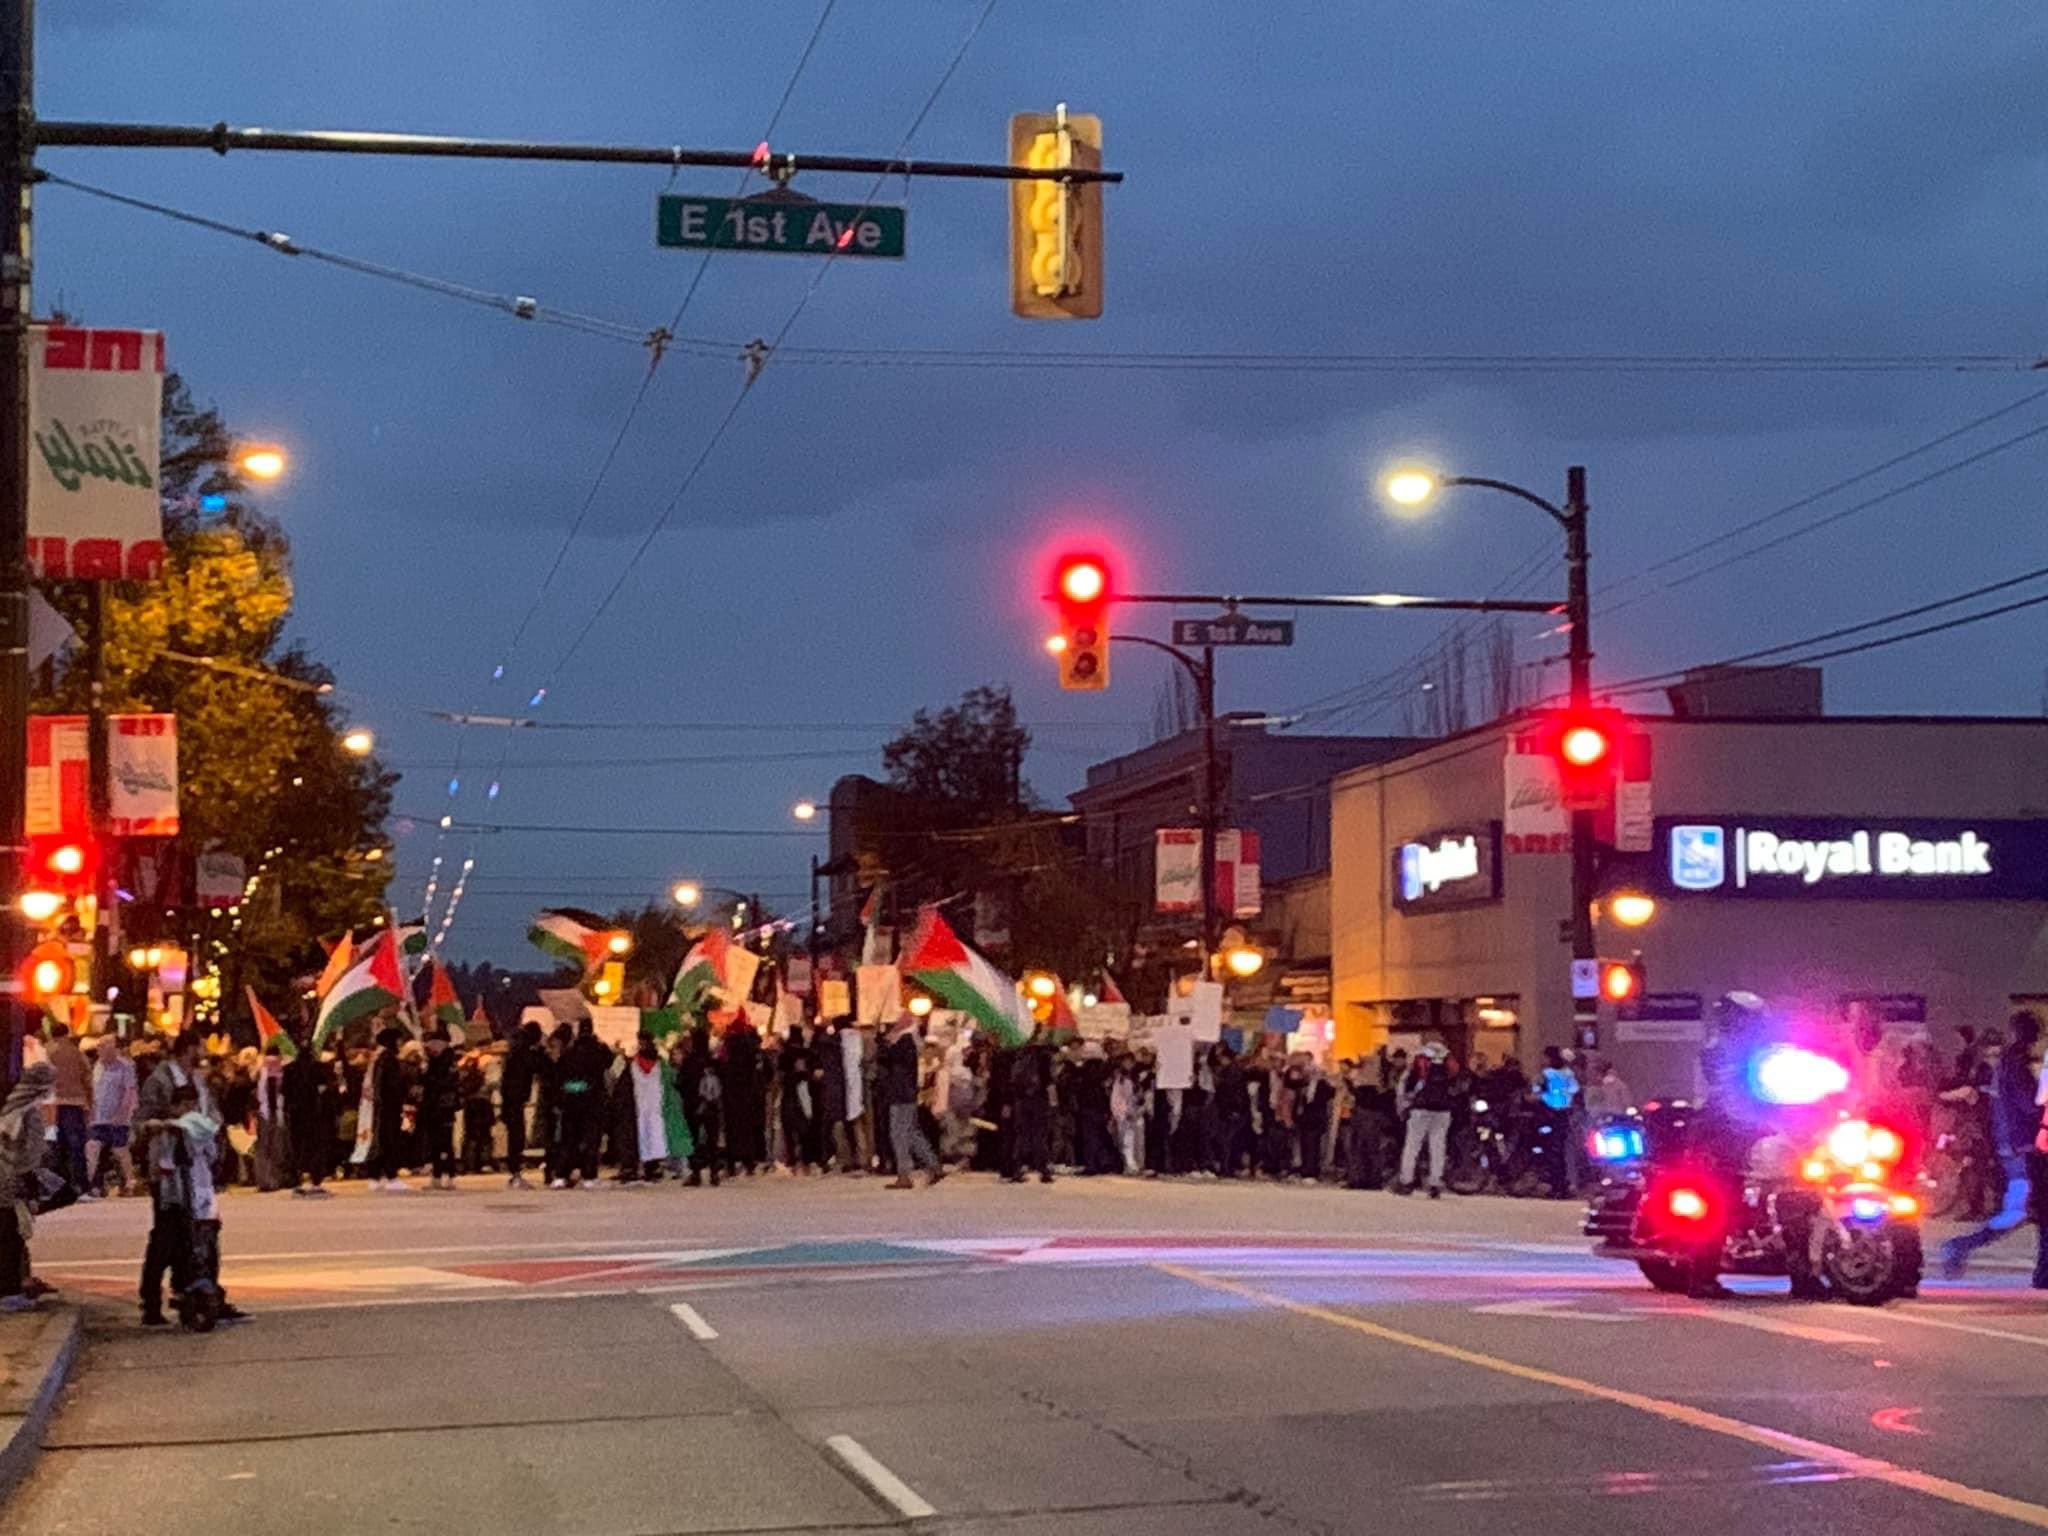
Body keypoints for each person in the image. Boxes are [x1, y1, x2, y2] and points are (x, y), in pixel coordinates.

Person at [1941, 1011, 2047, 1283]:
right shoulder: (2016, 1065)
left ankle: (2044, 1271)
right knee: (2019, 1210)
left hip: (2014, 1146)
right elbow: (2028, 1106)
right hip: (2020, 1148)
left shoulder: (2007, 1064)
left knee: (2035, 1209)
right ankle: (1959, 1246)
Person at [0, 1063, 55, 1311]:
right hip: (11, 1182)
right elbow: (29, 1154)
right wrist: (30, 1187)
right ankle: (10, 1291)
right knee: (11, 1236)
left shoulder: (11, 1104)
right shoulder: (28, 1112)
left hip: (7, 1177)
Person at [880, 1013, 942, 1188]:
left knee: (899, 1134)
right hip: (905, 1093)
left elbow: (888, 1059)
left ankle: (904, 1175)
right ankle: (933, 1164)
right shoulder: (909, 1042)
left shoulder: (903, 1042)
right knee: (911, 1133)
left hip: (901, 1094)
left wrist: (886, 1043)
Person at [556, 1019, 610, 1188]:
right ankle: (589, 1176)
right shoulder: (598, 1051)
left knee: (568, 1139)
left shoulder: (569, 1052)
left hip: (571, 1101)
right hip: (592, 1101)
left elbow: (559, 1074)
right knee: (591, 1140)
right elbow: (609, 1060)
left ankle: (561, 1175)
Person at [1396, 1047, 1454, 1197]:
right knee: (1438, 1146)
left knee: (1412, 1145)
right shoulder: (1446, 1059)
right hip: (1443, 1110)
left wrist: (1403, 1105)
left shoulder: (1420, 1060)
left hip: (1420, 1109)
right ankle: (1435, 1183)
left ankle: (1406, 1181)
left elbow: (1404, 1084)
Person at [87, 1035, 139, 1196]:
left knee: (120, 1150)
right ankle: (89, 1182)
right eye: (99, 1047)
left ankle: (130, 1181)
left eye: (103, 1047)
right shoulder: (97, 1066)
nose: (99, 1050)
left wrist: (123, 1113)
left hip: (118, 1117)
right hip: (99, 1116)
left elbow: (129, 1091)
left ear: (112, 1048)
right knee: (93, 1147)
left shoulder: (125, 1066)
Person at [281, 1035, 331, 1195]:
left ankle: (299, 1179)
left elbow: (284, 1091)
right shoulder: (318, 1068)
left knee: (298, 1147)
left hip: (296, 1114)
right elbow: (324, 1090)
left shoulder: (289, 1069)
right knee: (315, 1147)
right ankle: (316, 1180)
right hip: (314, 1113)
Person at [44, 1023, 90, 1195]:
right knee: (76, 1146)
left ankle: (58, 1186)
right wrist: (89, 1103)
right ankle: (82, 1184)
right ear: (67, 1033)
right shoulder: (76, 1052)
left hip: (53, 1104)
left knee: (56, 1146)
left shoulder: (47, 1051)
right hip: (76, 1102)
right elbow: (87, 1076)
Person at [500, 1021, 542, 1188]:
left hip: (510, 1099)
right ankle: (515, 1173)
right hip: (515, 1099)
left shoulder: (514, 1050)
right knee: (517, 1136)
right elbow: (539, 1067)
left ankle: (515, 1172)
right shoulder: (525, 1052)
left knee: (515, 1136)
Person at [419, 1029, 462, 1190]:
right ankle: (436, 1176)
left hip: (444, 1107)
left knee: (445, 1142)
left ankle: (449, 1175)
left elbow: (442, 1082)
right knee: (434, 1143)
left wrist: (429, 1071)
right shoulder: (433, 1059)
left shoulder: (448, 1060)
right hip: (432, 1106)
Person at [251, 1044, 290, 1192]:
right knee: (275, 1147)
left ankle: (264, 1180)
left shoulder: (261, 1070)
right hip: (276, 1111)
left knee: (263, 1147)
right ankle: (273, 1179)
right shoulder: (281, 1069)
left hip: (263, 1112)